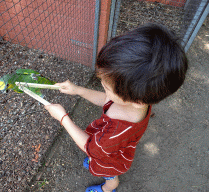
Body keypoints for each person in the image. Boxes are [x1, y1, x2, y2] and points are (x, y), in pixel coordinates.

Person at [44, 23, 188, 192]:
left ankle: (107, 189)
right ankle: (96, 166)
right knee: (96, 156)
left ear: (137, 100)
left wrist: (63, 118)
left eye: (107, 87)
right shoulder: (136, 101)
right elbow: (106, 100)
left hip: (109, 160)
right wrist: (78, 90)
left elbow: (90, 148)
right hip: (104, 148)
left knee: (110, 176)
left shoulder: (117, 131)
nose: (102, 86)